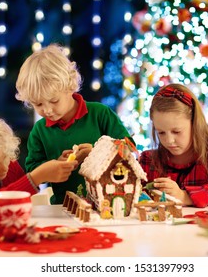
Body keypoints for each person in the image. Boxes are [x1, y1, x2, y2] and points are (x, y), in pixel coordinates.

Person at [15, 43, 132, 204]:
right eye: (38, 104)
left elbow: (129, 148)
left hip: (108, 205)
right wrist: (53, 166)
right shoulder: (39, 131)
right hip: (63, 207)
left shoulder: (100, 114)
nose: (47, 110)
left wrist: (96, 153)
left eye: (54, 101)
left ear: (70, 86)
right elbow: (33, 172)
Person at [139, 83, 208, 207]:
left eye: (176, 132)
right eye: (161, 132)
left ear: (194, 123)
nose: (169, 140)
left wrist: (184, 196)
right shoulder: (148, 161)